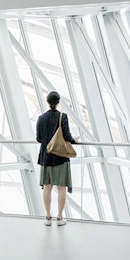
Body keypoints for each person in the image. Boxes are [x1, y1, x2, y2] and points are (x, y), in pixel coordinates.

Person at [36, 91, 78, 226]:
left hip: (46, 157)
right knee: (61, 188)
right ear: (58, 102)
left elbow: (38, 138)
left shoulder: (41, 118)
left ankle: (48, 217)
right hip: (60, 157)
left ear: (48, 102)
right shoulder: (62, 117)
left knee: (47, 188)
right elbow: (67, 136)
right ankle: (59, 218)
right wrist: (74, 140)